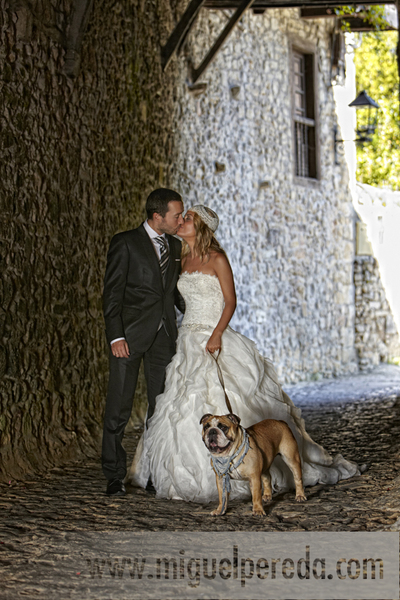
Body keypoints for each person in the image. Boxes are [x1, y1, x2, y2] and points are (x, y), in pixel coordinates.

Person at [127, 205, 359, 503]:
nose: (182, 221)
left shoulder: (217, 259)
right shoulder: (180, 258)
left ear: (201, 228)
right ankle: (180, 474)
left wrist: (216, 334)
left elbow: (230, 301)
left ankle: (249, 466)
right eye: (182, 218)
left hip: (215, 336)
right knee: (178, 403)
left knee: (235, 399)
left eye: (188, 219)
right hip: (187, 339)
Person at [102, 188, 185, 496]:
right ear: (156, 216)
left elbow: (173, 294)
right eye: (175, 215)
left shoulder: (175, 246)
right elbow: (112, 295)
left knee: (159, 408)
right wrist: (116, 335)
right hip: (129, 337)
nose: (180, 220)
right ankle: (113, 474)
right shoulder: (125, 243)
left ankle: (151, 472)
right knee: (119, 408)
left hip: (164, 338)